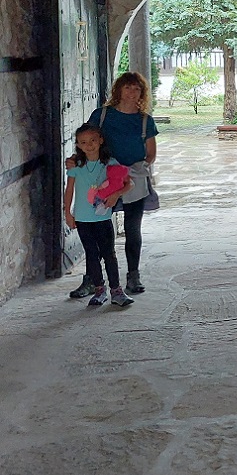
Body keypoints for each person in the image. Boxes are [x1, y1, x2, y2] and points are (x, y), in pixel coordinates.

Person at [68, 72, 159, 298]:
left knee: (132, 228)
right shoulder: (102, 115)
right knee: (96, 230)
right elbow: (86, 140)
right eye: (127, 87)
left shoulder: (145, 120)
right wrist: (76, 160)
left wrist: (131, 170)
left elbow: (151, 153)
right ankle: (92, 280)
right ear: (118, 89)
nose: (132, 92)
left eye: (136, 88)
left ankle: (133, 276)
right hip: (101, 177)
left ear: (142, 93)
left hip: (132, 178)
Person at [64, 124, 134, 307]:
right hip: (82, 219)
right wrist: (67, 213)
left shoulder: (110, 163)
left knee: (109, 254)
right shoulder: (77, 165)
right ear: (78, 145)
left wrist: (116, 194)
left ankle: (116, 290)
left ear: (101, 140)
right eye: (83, 142)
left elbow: (129, 184)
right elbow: (69, 189)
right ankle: (99, 290)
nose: (89, 145)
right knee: (92, 255)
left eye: (93, 140)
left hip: (102, 218)